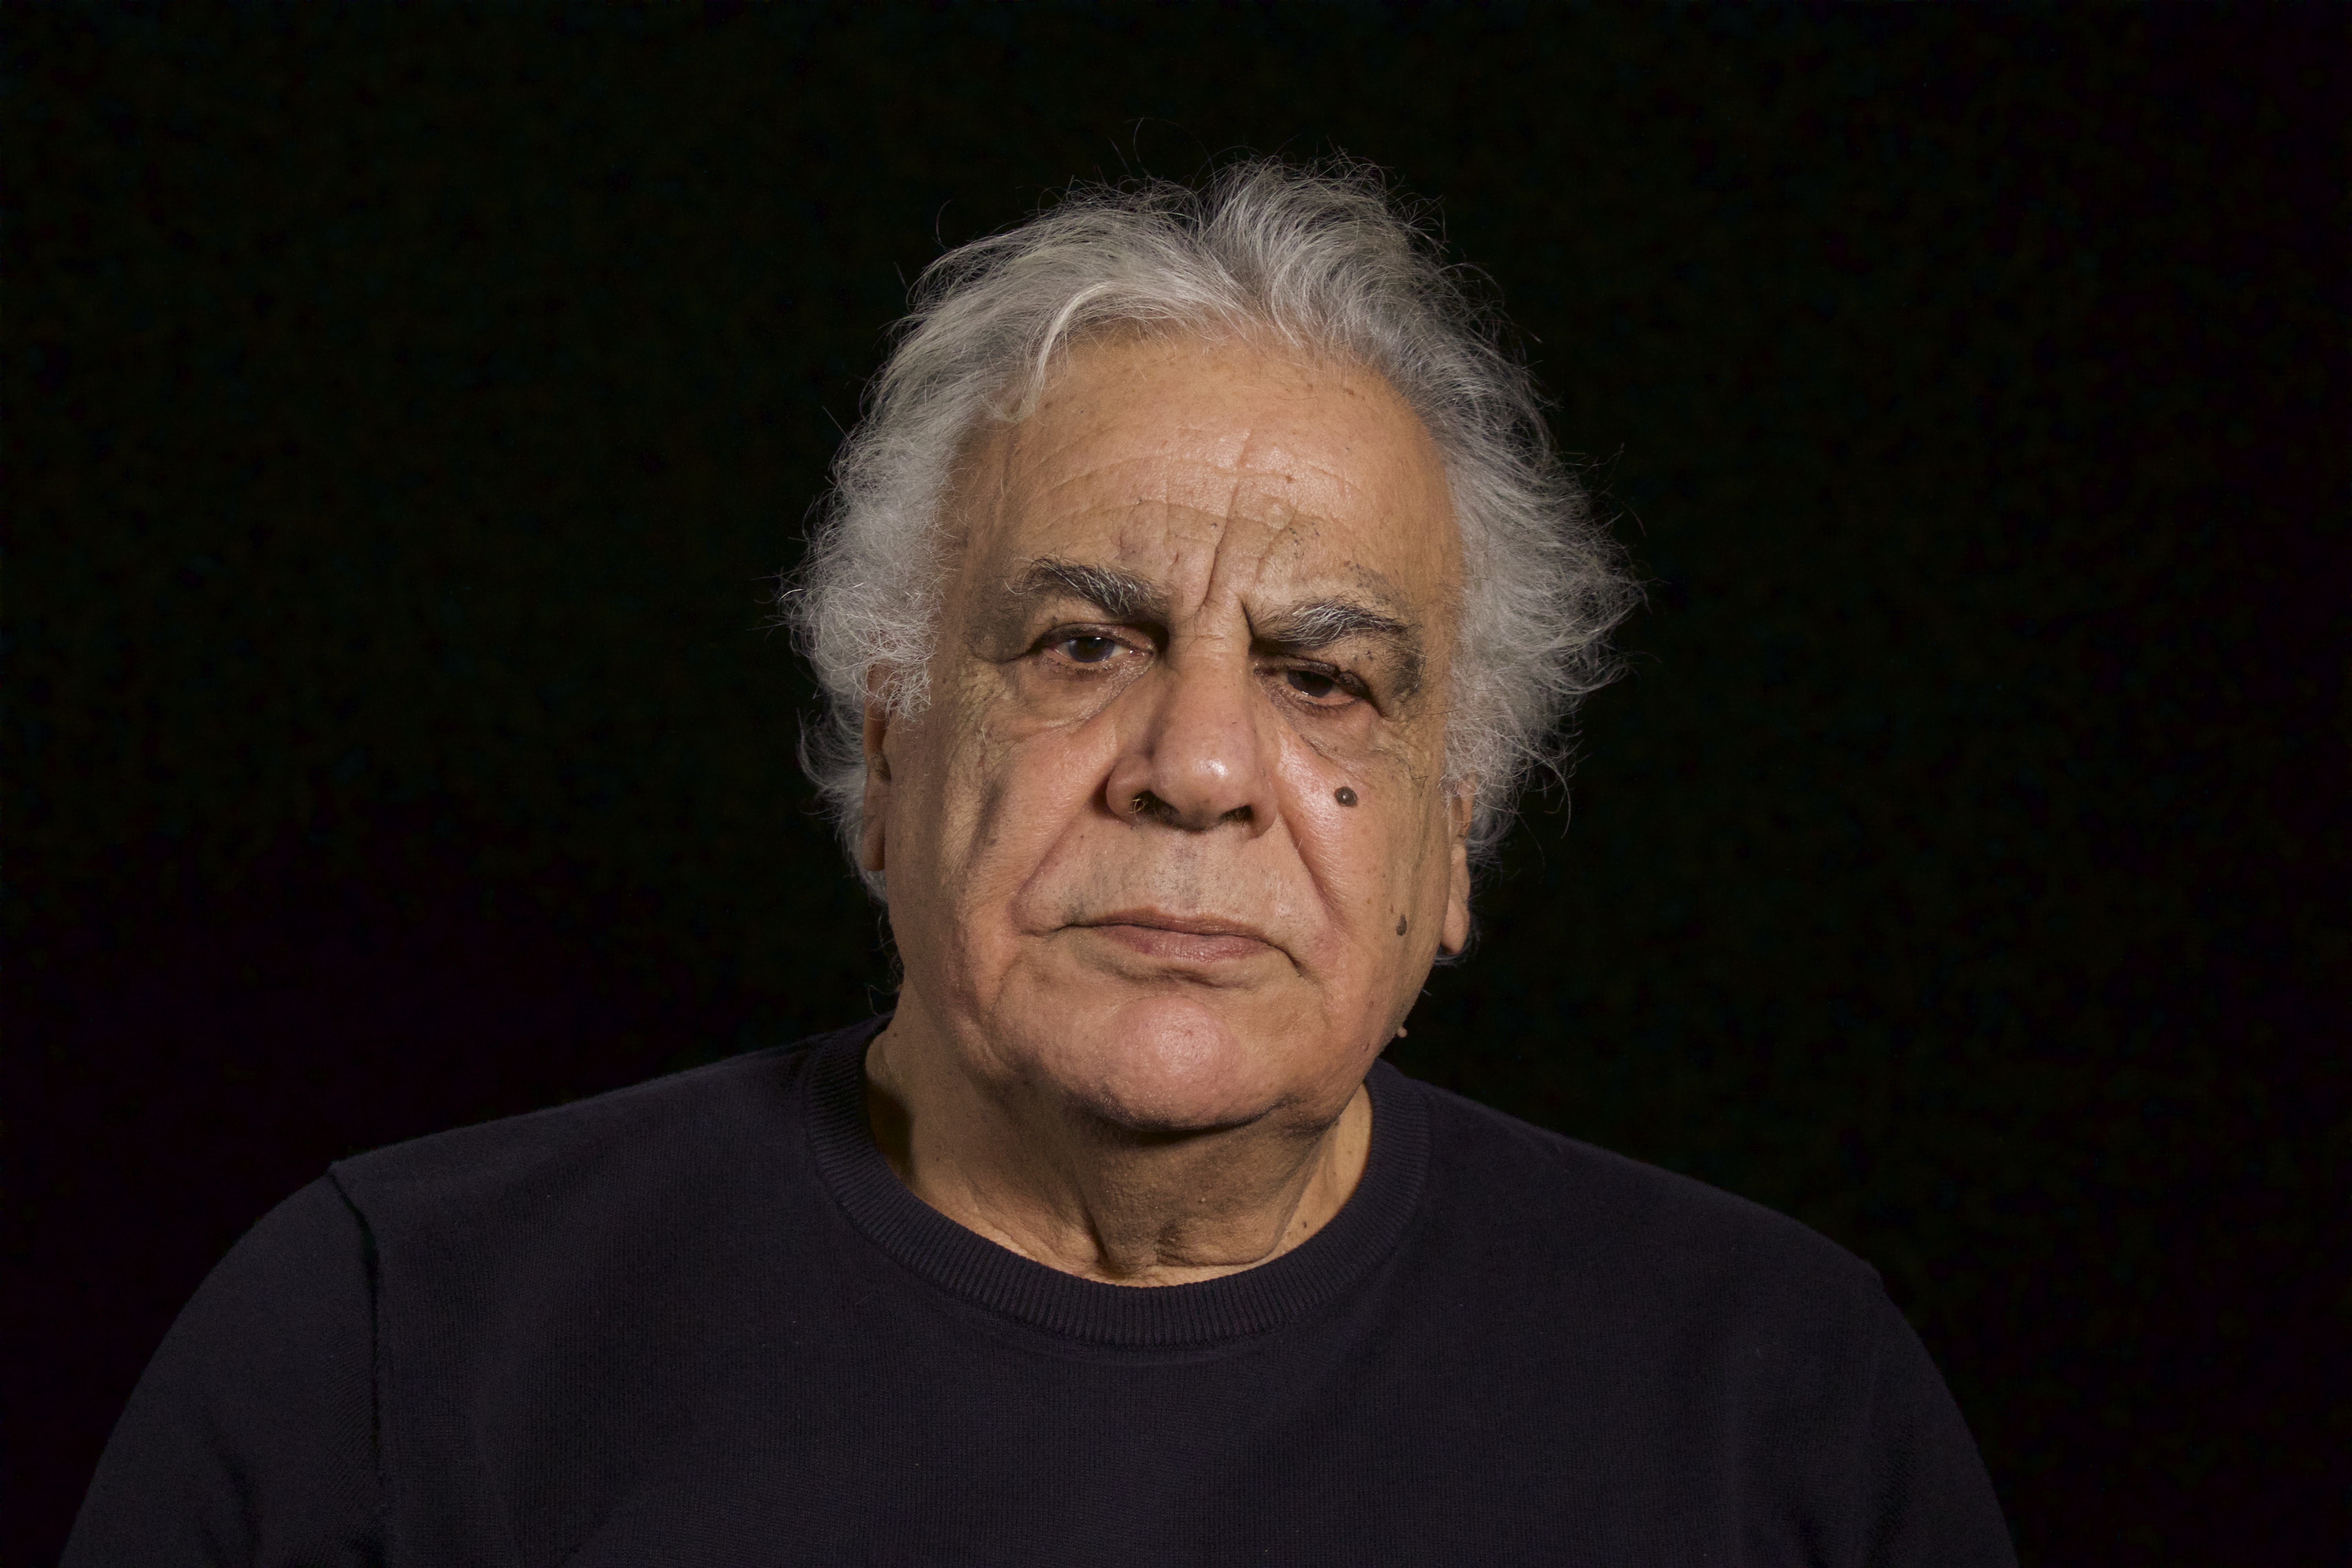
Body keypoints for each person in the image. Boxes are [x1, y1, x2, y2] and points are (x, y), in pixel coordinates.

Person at [66, 160, 2014, 1566]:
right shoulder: (388, 1341)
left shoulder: (1784, 1407)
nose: (1198, 767)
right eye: (1084, 644)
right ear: (890, 761)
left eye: (1325, 678)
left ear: (1456, 839)